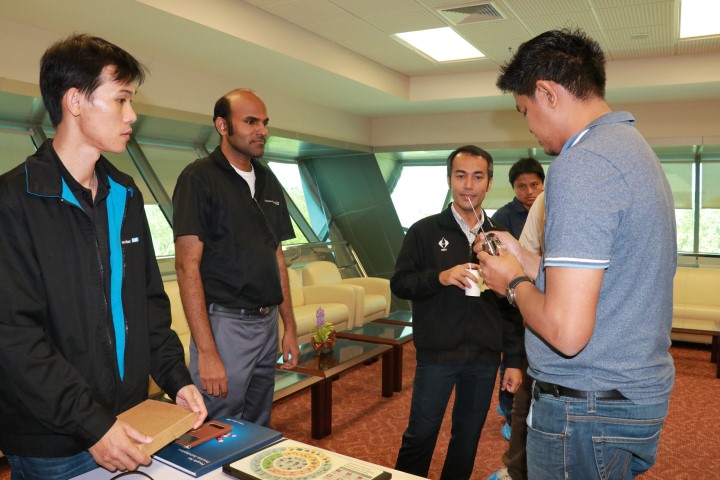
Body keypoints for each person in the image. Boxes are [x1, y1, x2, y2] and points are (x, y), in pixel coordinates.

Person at [0, 33, 207, 479]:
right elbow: (14, 337)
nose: (131, 115)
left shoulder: (125, 194)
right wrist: (92, 425)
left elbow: (148, 305)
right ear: (75, 101)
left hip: (129, 420)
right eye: (121, 99)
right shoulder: (13, 201)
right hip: (53, 441)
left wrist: (177, 378)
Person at [477, 28, 676, 480]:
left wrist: (511, 283)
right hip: (624, 393)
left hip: (587, 407)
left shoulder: (582, 164)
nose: (529, 126)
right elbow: (603, 278)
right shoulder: (630, 148)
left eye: (525, 111)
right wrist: (522, 258)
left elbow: (567, 332)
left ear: (547, 93)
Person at [391, 145, 524, 480]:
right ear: (449, 179)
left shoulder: (501, 239)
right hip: (437, 354)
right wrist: (439, 277)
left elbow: (513, 304)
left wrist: (512, 360)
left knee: (467, 438)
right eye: (461, 176)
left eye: (477, 177)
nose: (468, 185)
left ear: (489, 182)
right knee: (420, 434)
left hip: (484, 357)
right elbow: (400, 284)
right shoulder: (424, 231)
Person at [173, 88, 300, 427]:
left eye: (264, 123)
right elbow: (186, 266)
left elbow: (277, 258)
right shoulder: (199, 178)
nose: (262, 131)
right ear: (222, 125)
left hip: (267, 324)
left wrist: (289, 327)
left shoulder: (268, 179)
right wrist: (208, 352)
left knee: (257, 425)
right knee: (216, 427)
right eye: (250, 122)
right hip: (226, 326)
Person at [488, 191, 544, 480]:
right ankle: (515, 469)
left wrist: (514, 283)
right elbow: (528, 260)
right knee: (524, 404)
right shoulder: (544, 203)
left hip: (566, 328)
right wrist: (516, 261)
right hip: (537, 322)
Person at [491, 157, 544, 239]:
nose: (529, 191)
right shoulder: (501, 217)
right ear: (513, 187)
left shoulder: (552, 211)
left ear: (543, 184)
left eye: (534, 185)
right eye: (522, 186)